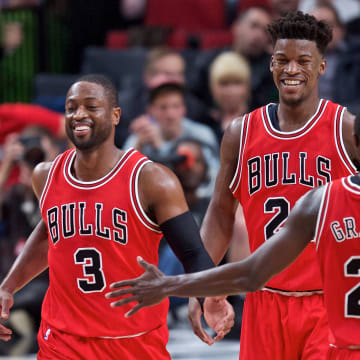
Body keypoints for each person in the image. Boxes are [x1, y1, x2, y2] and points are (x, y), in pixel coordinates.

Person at [112, 11, 360, 359]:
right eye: (281, 60)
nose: (291, 70)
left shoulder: (345, 129)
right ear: (270, 64)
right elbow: (221, 214)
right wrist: (203, 286)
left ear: (321, 67)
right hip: (263, 298)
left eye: (303, 61)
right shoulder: (242, 133)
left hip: (326, 303)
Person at [0, 74, 234, 359]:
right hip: (61, 342)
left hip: (132, 341)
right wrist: (8, 287)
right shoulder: (45, 176)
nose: (79, 114)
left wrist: (208, 296)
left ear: (115, 115)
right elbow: (50, 233)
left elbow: (192, 251)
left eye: (90, 106)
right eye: (71, 107)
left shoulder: (151, 180)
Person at [106, 154, 360, 359]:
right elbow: (226, 225)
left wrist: (169, 285)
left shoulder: (322, 199)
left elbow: (250, 273)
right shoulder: (322, 199)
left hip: (325, 316)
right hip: (272, 303)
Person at [123, 82, 220, 198]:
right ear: (151, 110)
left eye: (176, 106)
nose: (170, 114)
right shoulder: (142, 137)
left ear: (184, 109)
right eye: (163, 108)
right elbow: (122, 180)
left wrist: (161, 148)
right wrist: (138, 147)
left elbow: (216, 180)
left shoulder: (202, 134)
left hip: (199, 202)